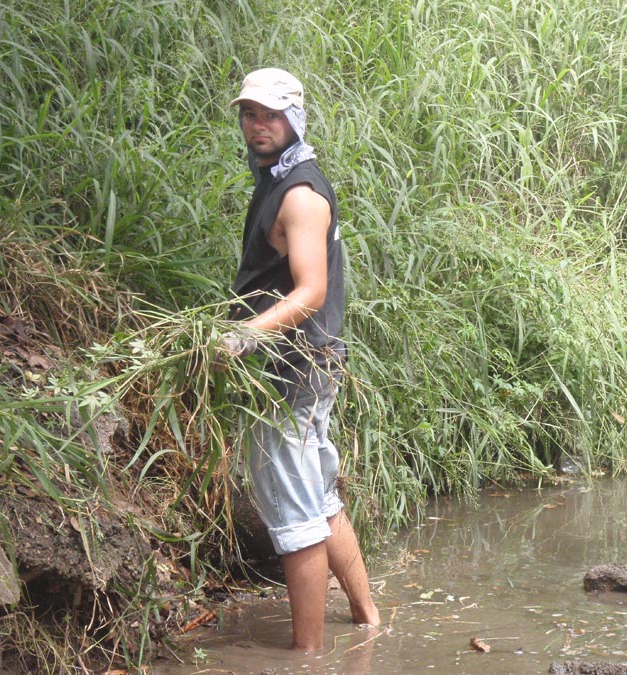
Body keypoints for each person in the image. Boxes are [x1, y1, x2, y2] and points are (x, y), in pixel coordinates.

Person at [216, 67, 380, 651]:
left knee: (294, 512)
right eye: (249, 114)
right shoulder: (278, 177)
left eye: (271, 115)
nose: (258, 125)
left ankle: (307, 656)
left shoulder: (300, 195)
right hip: (307, 359)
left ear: (296, 118)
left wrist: (242, 336)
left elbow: (310, 291)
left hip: (296, 365)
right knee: (317, 494)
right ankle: (368, 620)